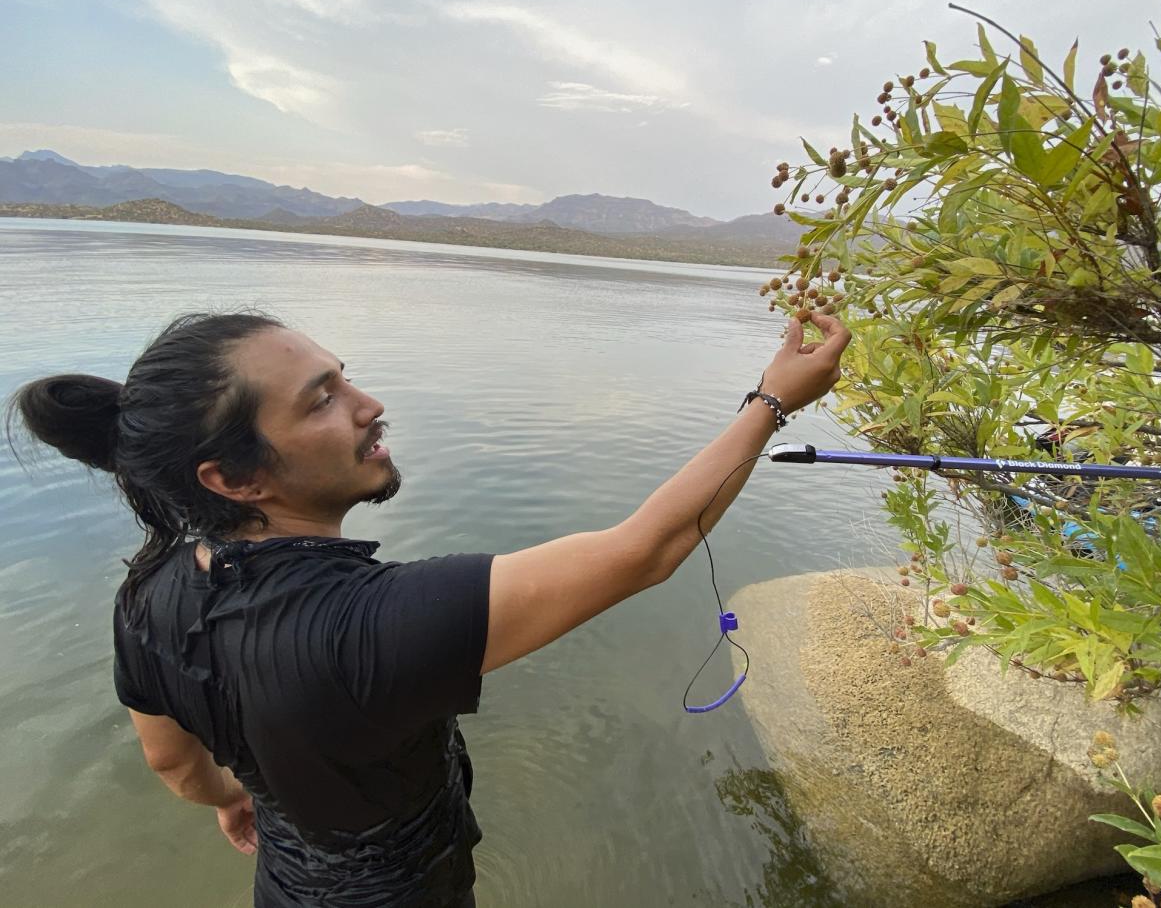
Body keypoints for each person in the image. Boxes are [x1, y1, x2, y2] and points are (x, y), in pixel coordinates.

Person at [6, 309, 850, 907]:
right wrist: (771, 403)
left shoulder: (147, 591)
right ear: (232, 480)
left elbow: (175, 767)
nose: (368, 406)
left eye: (343, 378)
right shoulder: (375, 624)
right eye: (321, 400)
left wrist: (242, 794)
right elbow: (648, 550)